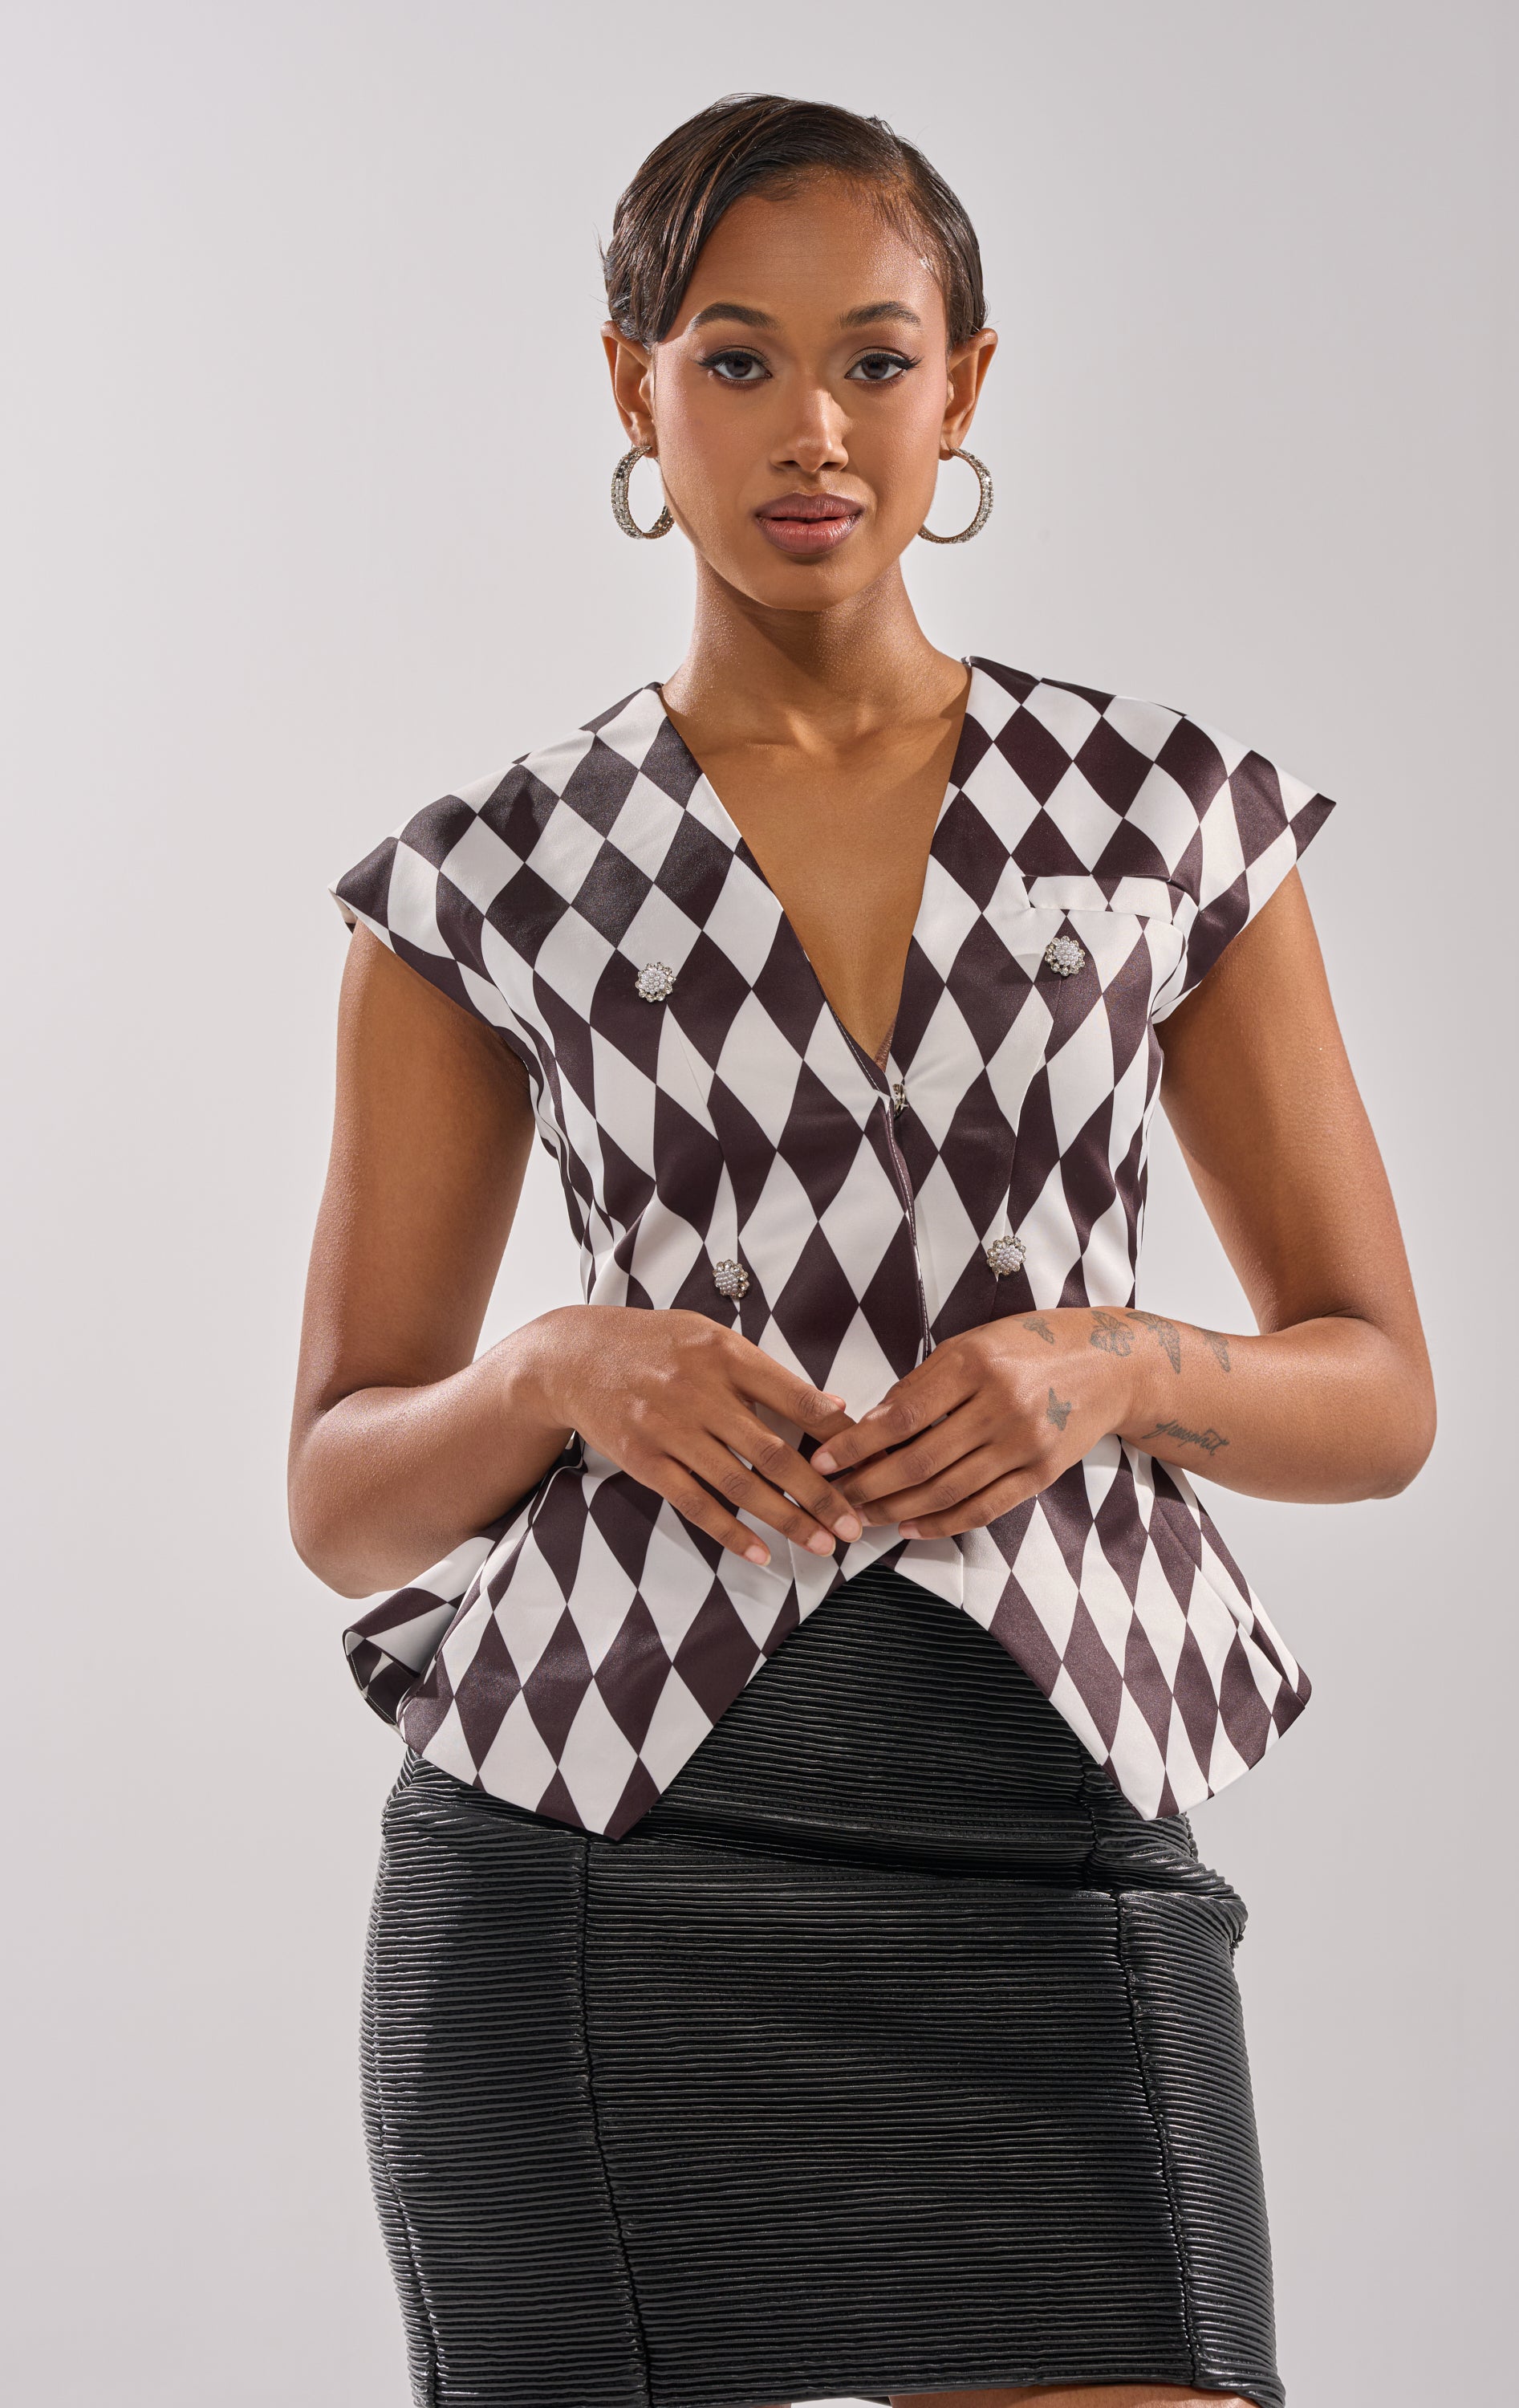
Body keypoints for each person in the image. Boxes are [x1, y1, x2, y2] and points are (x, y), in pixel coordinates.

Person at [290, 92, 1434, 2408]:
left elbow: (1379, 1390)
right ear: (633, 388)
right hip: (591, 1872)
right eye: (734, 360)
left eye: (876, 360)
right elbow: (339, 1497)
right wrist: (551, 1379)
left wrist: (1116, 1365)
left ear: (969, 387)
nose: (812, 429)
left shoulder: (1165, 819)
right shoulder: (491, 879)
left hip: (1048, 1859)